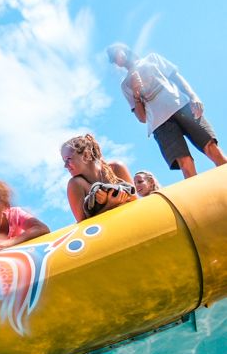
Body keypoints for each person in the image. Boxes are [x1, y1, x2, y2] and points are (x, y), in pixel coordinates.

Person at [107, 43, 227, 179]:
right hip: (161, 125)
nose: (116, 57)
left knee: (211, 148)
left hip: (182, 107)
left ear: (124, 49)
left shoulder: (152, 59)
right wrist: (136, 93)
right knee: (185, 164)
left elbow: (176, 77)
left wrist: (193, 96)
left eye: (116, 52)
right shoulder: (125, 85)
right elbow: (142, 118)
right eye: (112, 58)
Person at [61, 133, 136, 222]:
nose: (65, 166)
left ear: (86, 155)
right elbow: (83, 225)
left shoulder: (116, 168)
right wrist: (109, 205)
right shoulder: (75, 184)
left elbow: (135, 201)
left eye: (68, 159)